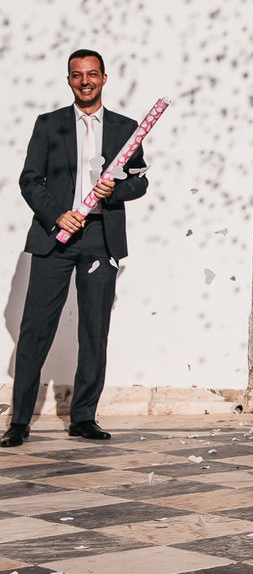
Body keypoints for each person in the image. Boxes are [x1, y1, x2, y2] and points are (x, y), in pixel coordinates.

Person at [1, 50, 149, 448]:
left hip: (101, 239)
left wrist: (116, 189)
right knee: (35, 330)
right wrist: (58, 215)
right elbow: (30, 180)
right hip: (55, 238)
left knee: (94, 330)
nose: (85, 81)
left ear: (104, 78)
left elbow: (140, 181)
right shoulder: (49, 125)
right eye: (77, 75)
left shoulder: (126, 128)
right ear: (69, 80)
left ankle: (83, 416)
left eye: (92, 74)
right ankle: (19, 421)